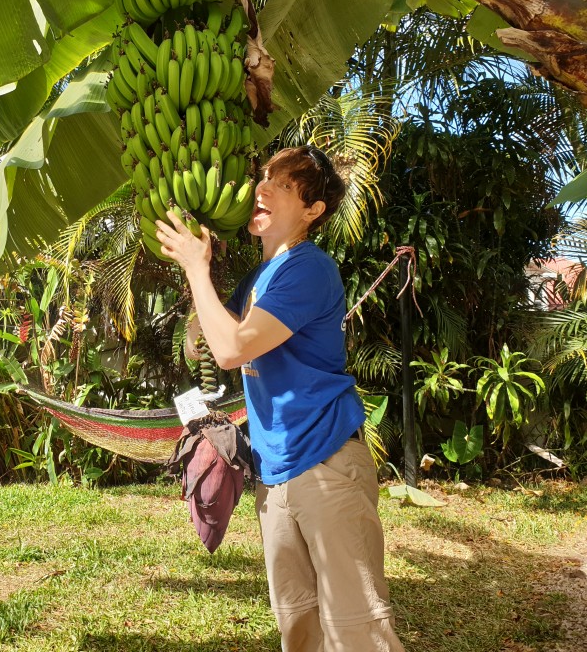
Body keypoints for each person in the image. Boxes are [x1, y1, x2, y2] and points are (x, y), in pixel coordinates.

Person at [156, 145, 404, 652]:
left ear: (313, 211)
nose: (261, 188)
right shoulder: (257, 280)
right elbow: (202, 339)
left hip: (327, 464)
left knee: (357, 632)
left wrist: (197, 270)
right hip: (276, 472)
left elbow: (230, 349)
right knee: (299, 628)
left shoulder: (308, 268)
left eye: (283, 185)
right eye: (263, 178)